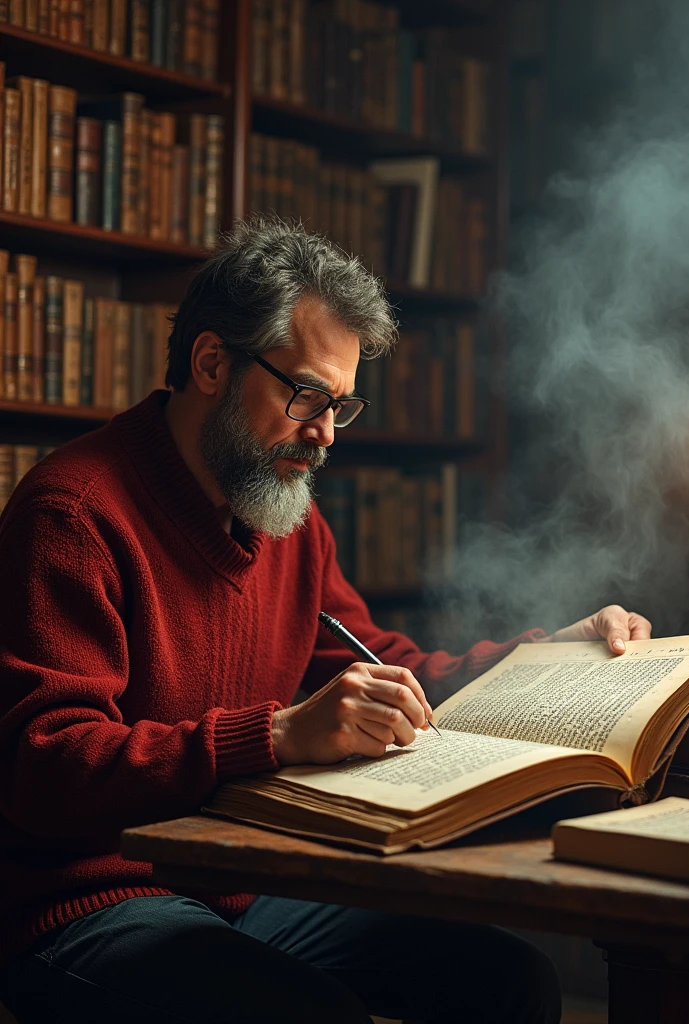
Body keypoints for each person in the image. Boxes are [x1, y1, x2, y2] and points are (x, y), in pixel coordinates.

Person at [0, 216, 650, 1024]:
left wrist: (544, 660)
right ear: (211, 363)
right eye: (307, 395)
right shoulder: (75, 512)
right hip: (89, 901)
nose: (325, 435)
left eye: (341, 405)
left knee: (512, 981)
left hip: (247, 886)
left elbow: (375, 665)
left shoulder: (284, 519)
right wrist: (274, 736)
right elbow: (43, 767)